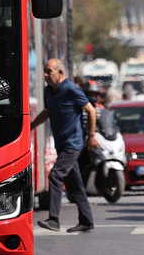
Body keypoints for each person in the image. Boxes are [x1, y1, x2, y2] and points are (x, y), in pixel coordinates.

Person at [31, 59, 97, 233]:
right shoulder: (48, 91)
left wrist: (91, 136)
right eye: (44, 71)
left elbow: (90, 110)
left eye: (49, 71)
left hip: (73, 144)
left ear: (60, 72)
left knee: (55, 175)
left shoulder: (72, 90)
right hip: (61, 143)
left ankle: (54, 219)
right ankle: (86, 220)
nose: (45, 75)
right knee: (75, 184)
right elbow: (47, 112)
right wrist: (30, 126)